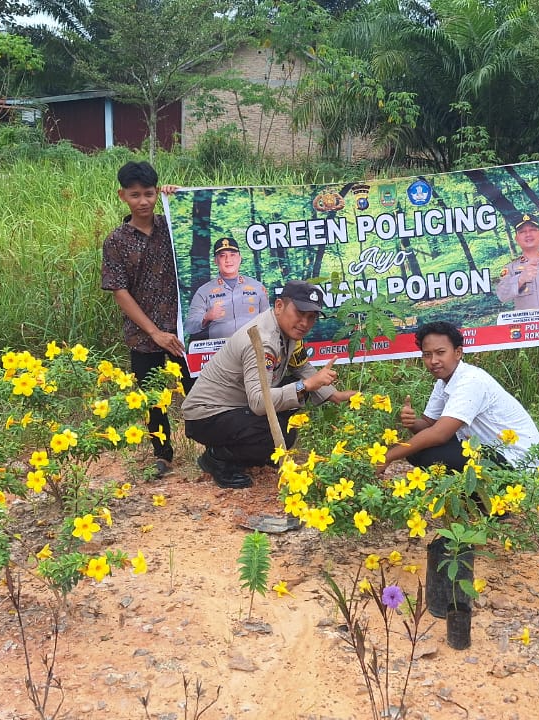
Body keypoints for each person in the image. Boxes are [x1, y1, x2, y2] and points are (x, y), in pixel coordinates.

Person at [181, 280, 356, 488]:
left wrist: (333, 394)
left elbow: (301, 367)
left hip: (235, 407)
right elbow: (258, 403)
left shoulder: (287, 331)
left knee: (287, 428)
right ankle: (217, 459)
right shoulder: (263, 341)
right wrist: (307, 385)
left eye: (311, 318)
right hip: (206, 417)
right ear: (279, 306)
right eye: (300, 313)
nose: (305, 323)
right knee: (280, 432)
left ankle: (249, 453)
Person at [100, 160, 191, 477]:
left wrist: (178, 199)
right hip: (144, 335)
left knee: (199, 389)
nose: (143, 201)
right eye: (135, 195)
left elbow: (199, 225)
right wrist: (154, 333)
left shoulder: (171, 226)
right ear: (122, 195)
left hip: (183, 331)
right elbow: (119, 291)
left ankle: (214, 446)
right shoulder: (116, 241)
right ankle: (162, 455)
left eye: (150, 194)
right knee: (153, 399)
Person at [385, 321, 539, 473]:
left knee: (430, 455)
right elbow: (427, 424)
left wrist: (387, 457)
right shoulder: (444, 381)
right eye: (427, 355)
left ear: (458, 353)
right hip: (485, 449)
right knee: (416, 450)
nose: (433, 361)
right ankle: (466, 492)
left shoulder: (471, 381)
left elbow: (439, 434)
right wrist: (411, 423)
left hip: (517, 461)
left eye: (440, 353)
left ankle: (485, 493)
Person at [183, 237, 269, 341]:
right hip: (220, 352)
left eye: (232, 255)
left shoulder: (257, 287)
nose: (228, 260)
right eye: (222, 256)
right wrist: (206, 317)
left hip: (252, 348)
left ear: (240, 258)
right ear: (215, 260)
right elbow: (189, 326)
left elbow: (268, 322)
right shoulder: (204, 291)